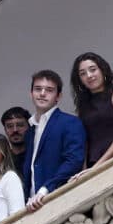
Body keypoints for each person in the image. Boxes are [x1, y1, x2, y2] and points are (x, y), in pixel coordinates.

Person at [22, 69, 86, 212]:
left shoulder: (70, 123)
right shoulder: (30, 130)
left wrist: (45, 189)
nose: (42, 93)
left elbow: (74, 160)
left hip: (58, 200)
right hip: (31, 204)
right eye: (38, 89)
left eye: (49, 90)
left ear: (58, 96)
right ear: (31, 93)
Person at [71, 52, 113, 169]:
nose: (89, 75)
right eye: (83, 74)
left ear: (102, 70)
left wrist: (97, 167)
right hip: (92, 164)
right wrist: (85, 170)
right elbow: (86, 141)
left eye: (93, 70)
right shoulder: (83, 104)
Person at [0, 106, 30, 172]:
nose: (15, 130)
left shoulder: (37, 157)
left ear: (29, 127)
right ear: (5, 130)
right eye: (10, 126)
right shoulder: (1, 160)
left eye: (20, 125)